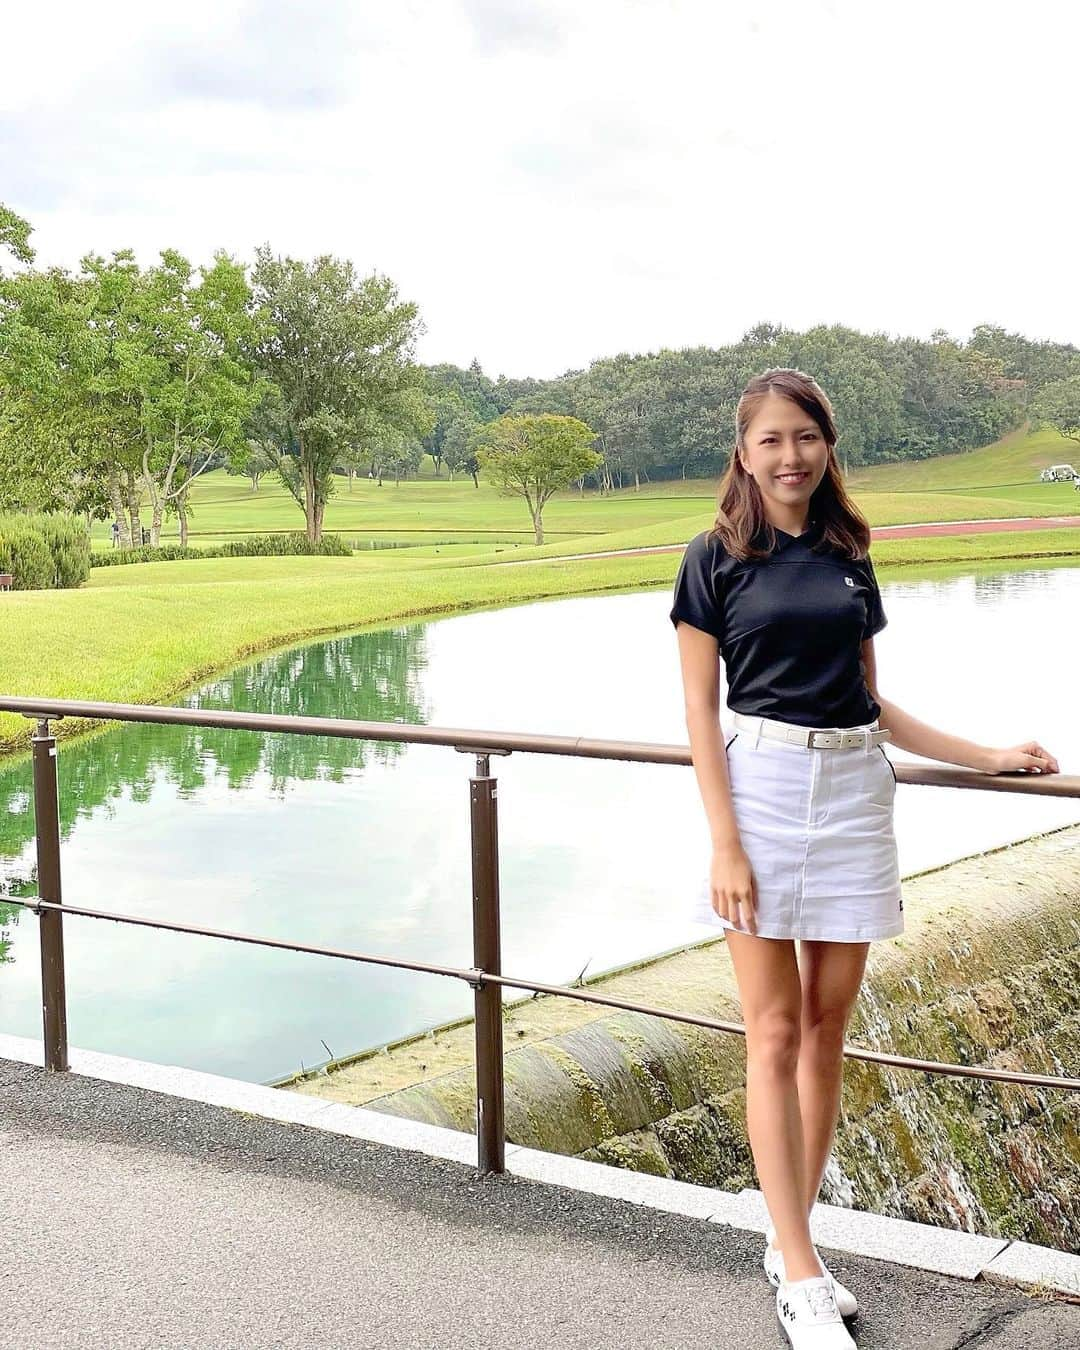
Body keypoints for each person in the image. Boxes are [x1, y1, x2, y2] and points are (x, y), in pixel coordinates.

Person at [669, 368, 1060, 1349]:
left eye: (806, 437)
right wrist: (724, 842)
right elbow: (697, 720)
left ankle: (790, 1237)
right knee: (771, 1033)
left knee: (825, 1030)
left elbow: (870, 699)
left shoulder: (851, 550)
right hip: (758, 792)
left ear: (826, 446)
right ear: (744, 451)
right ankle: (799, 1270)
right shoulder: (712, 559)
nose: (791, 456)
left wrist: (987, 754)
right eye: (772, 440)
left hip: (853, 792)